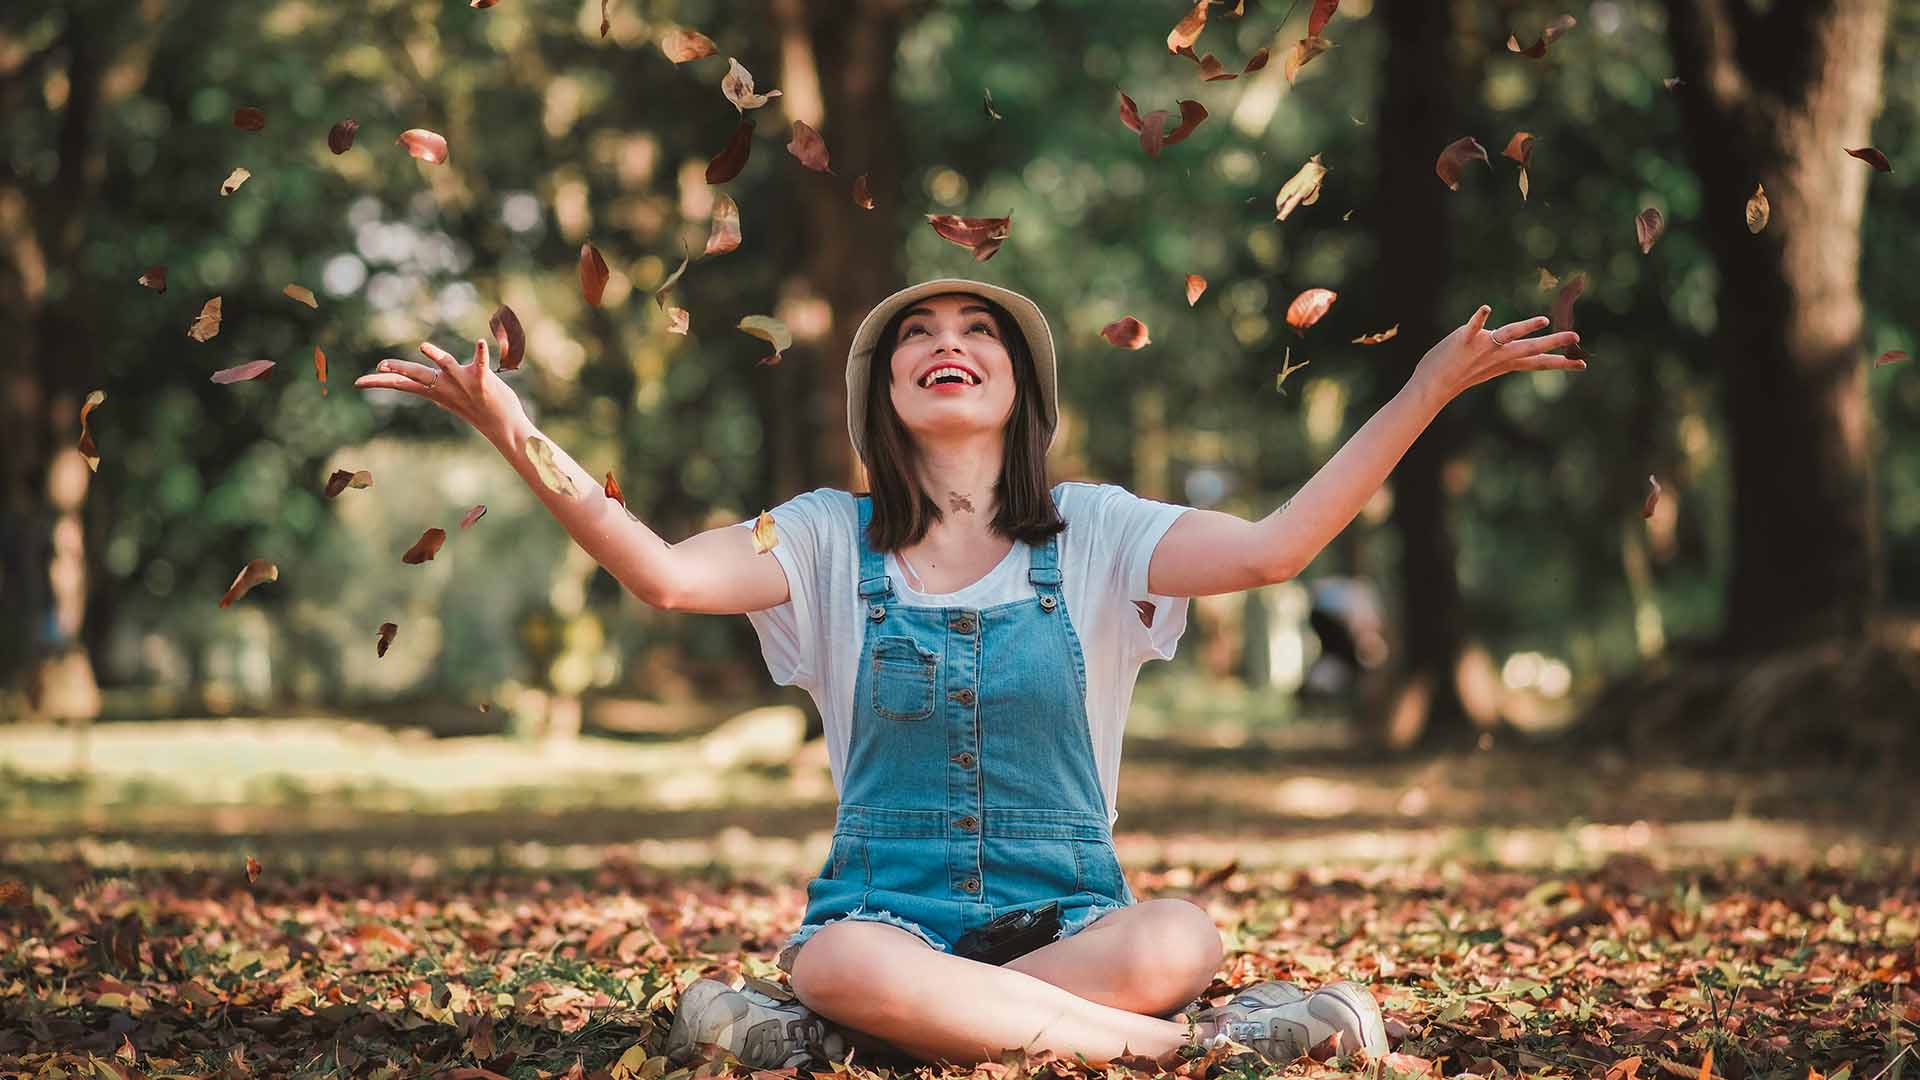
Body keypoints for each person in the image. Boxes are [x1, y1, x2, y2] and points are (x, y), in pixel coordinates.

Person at [357, 277, 1583, 1070]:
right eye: (918, 340)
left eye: (977, 331)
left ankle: (862, 1043)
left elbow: (1278, 549)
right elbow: (666, 576)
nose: (948, 344)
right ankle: (1183, 1054)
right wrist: (510, 427)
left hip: (1075, 926)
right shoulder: (827, 537)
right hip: (886, 920)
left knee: (1181, 933)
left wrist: (1426, 387)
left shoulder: (1099, 533)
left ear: (1019, 390)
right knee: (837, 958)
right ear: (887, 396)